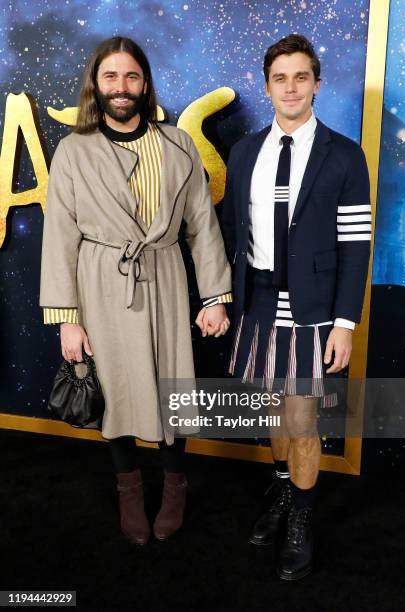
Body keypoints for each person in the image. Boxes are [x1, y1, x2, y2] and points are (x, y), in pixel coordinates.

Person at [40, 36, 232, 546]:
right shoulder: (73, 151)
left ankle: (174, 487)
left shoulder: (178, 144)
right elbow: (60, 235)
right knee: (115, 388)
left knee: (175, 386)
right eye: (110, 77)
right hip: (99, 281)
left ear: (144, 84)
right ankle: (129, 491)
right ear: (96, 85)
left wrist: (214, 296)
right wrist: (68, 318)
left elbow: (201, 226)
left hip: (165, 273)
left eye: (130, 77)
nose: (120, 87)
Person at [222, 34, 371, 580]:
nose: (291, 87)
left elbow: (356, 244)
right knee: (273, 414)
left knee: (302, 419)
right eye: (280, 78)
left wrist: (345, 322)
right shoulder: (243, 153)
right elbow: (233, 232)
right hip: (258, 305)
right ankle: (284, 494)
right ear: (267, 86)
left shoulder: (344, 154)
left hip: (313, 312)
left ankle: (302, 519)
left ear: (316, 84)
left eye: (301, 77)